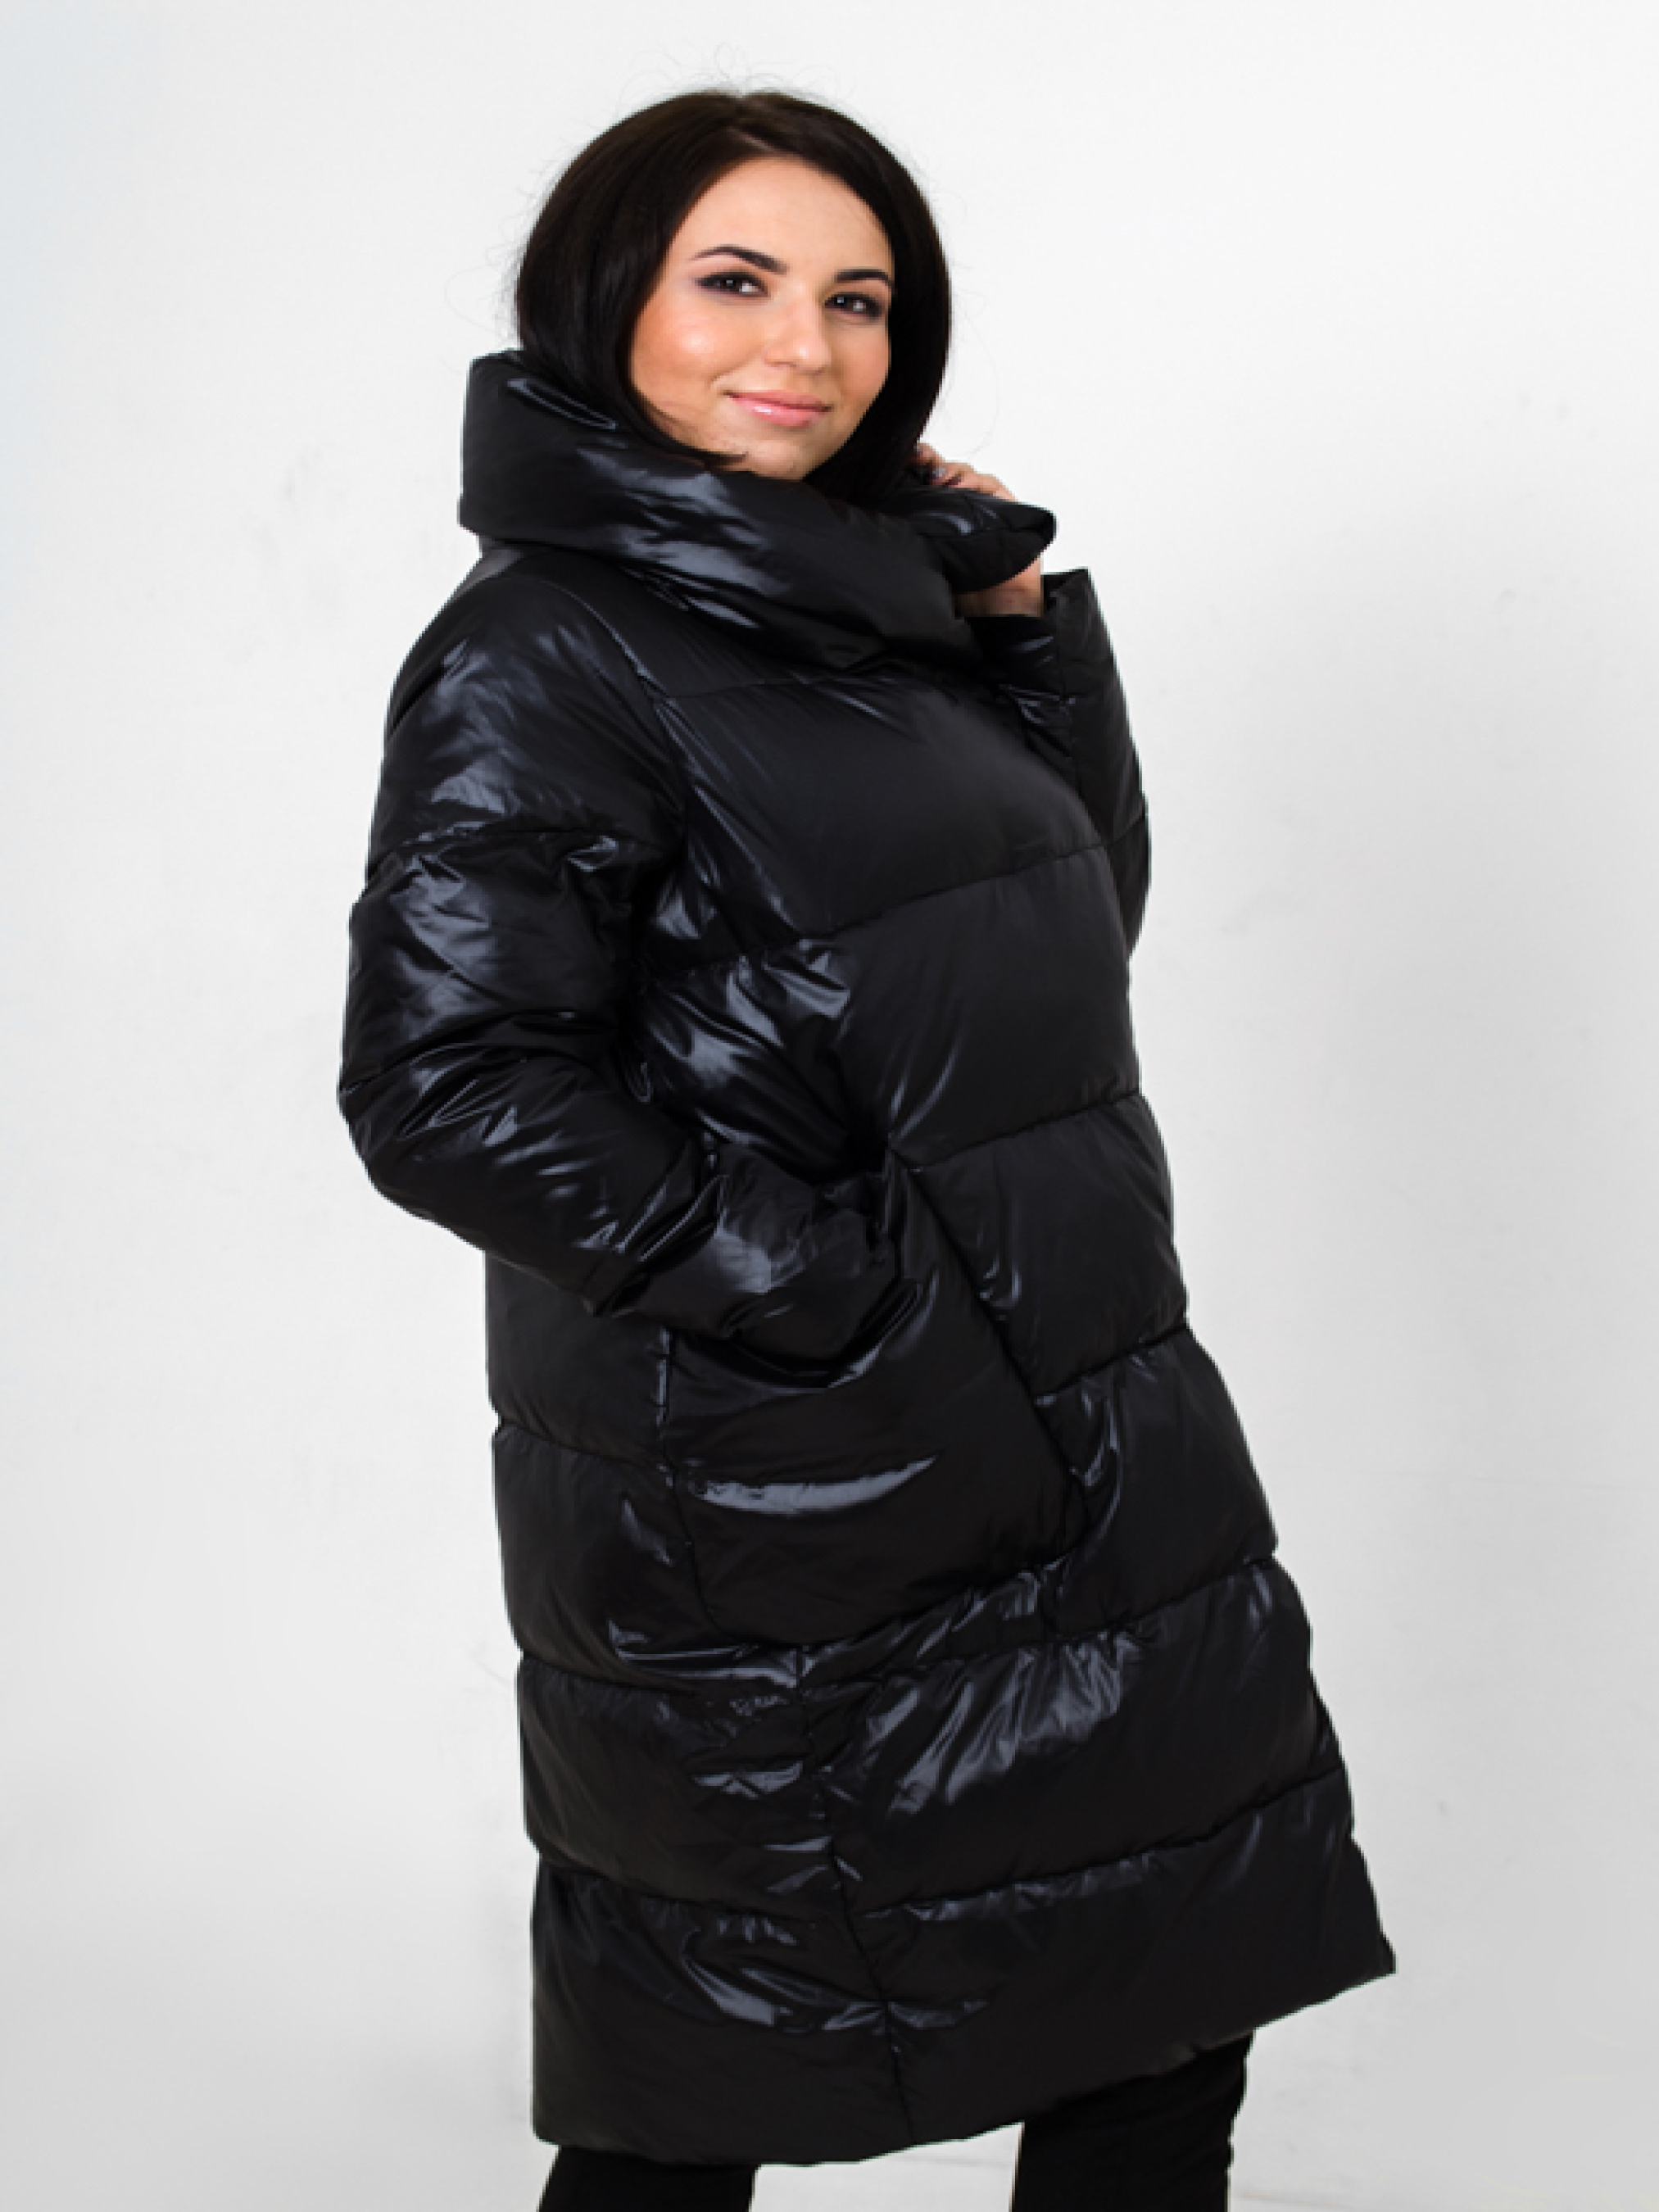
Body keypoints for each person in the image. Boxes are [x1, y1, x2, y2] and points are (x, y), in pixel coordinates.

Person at [338, 87, 1393, 2211]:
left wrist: (1021, 636)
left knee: (1162, 2010)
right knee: (707, 2071)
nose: (803, 347)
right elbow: (447, 1082)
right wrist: (841, 1295)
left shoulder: (858, 601)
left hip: (1082, 1426)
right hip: (787, 1490)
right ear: (606, 300)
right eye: (736, 281)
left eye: (857, 299)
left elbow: (1052, 939)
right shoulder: (547, 646)